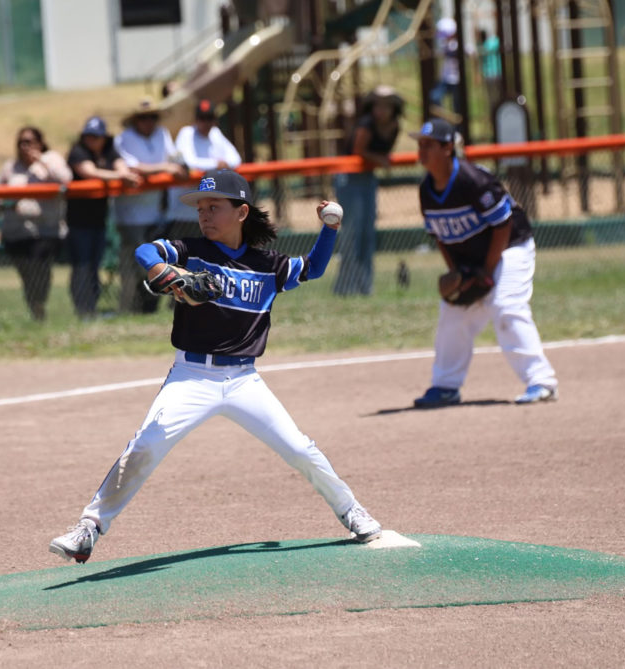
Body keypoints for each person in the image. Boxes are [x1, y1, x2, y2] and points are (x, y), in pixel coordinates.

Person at [49, 169, 384, 564]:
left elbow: (314, 268)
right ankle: (89, 527)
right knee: (145, 447)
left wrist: (330, 227)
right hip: (192, 376)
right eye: (200, 208)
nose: (204, 215)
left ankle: (351, 511)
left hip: (244, 380)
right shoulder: (190, 251)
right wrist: (163, 272)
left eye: (214, 207)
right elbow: (145, 252)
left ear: (241, 212)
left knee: (299, 449)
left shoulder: (267, 264)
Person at [409, 119, 558, 407]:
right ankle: (445, 387)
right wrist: (457, 271)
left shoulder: (473, 180)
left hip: (511, 246)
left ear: (448, 147)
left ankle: (542, 382)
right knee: (453, 311)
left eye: (429, 145)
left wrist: (488, 271)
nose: (422, 150)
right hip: (473, 257)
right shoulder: (427, 191)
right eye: (420, 145)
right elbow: (440, 236)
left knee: (505, 305)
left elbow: (503, 225)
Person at [113, 97, 187, 314]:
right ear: (135, 120)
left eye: (152, 117)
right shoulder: (124, 138)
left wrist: (179, 165)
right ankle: (134, 307)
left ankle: (150, 307)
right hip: (131, 215)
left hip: (157, 212)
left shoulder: (162, 134)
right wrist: (166, 167)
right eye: (143, 118)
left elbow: (175, 158)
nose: (148, 122)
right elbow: (133, 167)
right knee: (137, 267)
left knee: (159, 263)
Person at [66, 116, 141, 319]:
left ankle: (91, 308)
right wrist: (121, 177)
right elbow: (89, 172)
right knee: (82, 266)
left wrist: (124, 173)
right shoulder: (78, 151)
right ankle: (83, 309)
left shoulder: (109, 150)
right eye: (89, 136)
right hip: (79, 221)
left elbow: (121, 165)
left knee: (93, 266)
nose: (92, 140)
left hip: (99, 220)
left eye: (96, 136)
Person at [0, 126, 72, 320]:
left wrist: (41, 160)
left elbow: (65, 179)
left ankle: (39, 307)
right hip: (16, 231)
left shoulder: (51, 159)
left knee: (41, 271)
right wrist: (8, 205)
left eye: (29, 141)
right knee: (28, 275)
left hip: (45, 231)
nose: (24, 146)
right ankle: (36, 309)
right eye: (21, 142)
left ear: (40, 142)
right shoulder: (10, 167)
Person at [333, 85, 403, 296]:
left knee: (366, 234)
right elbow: (358, 151)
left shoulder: (395, 126)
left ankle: (365, 287)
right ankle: (345, 288)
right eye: (377, 105)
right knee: (352, 233)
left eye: (386, 106)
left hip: (368, 180)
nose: (380, 110)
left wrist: (381, 160)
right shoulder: (366, 124)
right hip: (349, 179)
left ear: (393, 108)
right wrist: (380, 160)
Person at [166, 98, 242, 241]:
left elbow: (235, 159)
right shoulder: (186, 133)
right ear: (195, 119)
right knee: (184, 261)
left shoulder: (215, 133)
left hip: (210, 215)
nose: (206, 123)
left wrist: (216, 166)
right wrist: (216, 164)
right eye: (202, 118)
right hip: (183, 214)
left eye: (210, 118)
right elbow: (189, 163)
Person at [429, 17, 461, 117]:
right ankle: (441, 119)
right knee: (434, 97)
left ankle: (458, 129)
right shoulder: (443, 45)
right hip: (445, 80)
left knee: (458, 107)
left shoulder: (457, 44)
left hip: (457, 80)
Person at [477, 28, 502, 114]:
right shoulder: (494, 42)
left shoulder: (482, 46)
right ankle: (498, 111)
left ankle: (493, 113)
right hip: (497, 73)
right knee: (499, 95)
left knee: (491, 97)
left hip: (489, 74)